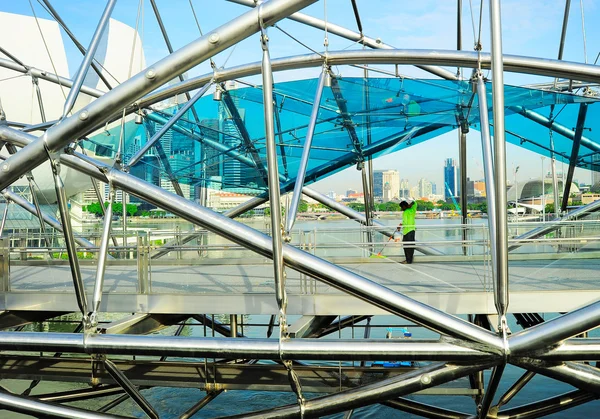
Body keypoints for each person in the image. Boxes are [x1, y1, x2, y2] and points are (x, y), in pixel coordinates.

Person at [399, 199, 417, 264]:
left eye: (401, 207)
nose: (401, 209)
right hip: (412, 230)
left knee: (406, 246)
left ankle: (408, 260)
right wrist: (411, 204)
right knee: (411, 246)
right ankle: (410, 260)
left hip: (407, 231)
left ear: (404, 206)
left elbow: (405, 223)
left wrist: (400, 226)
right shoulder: (412, 210)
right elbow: (415, 203)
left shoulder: (406, 212)